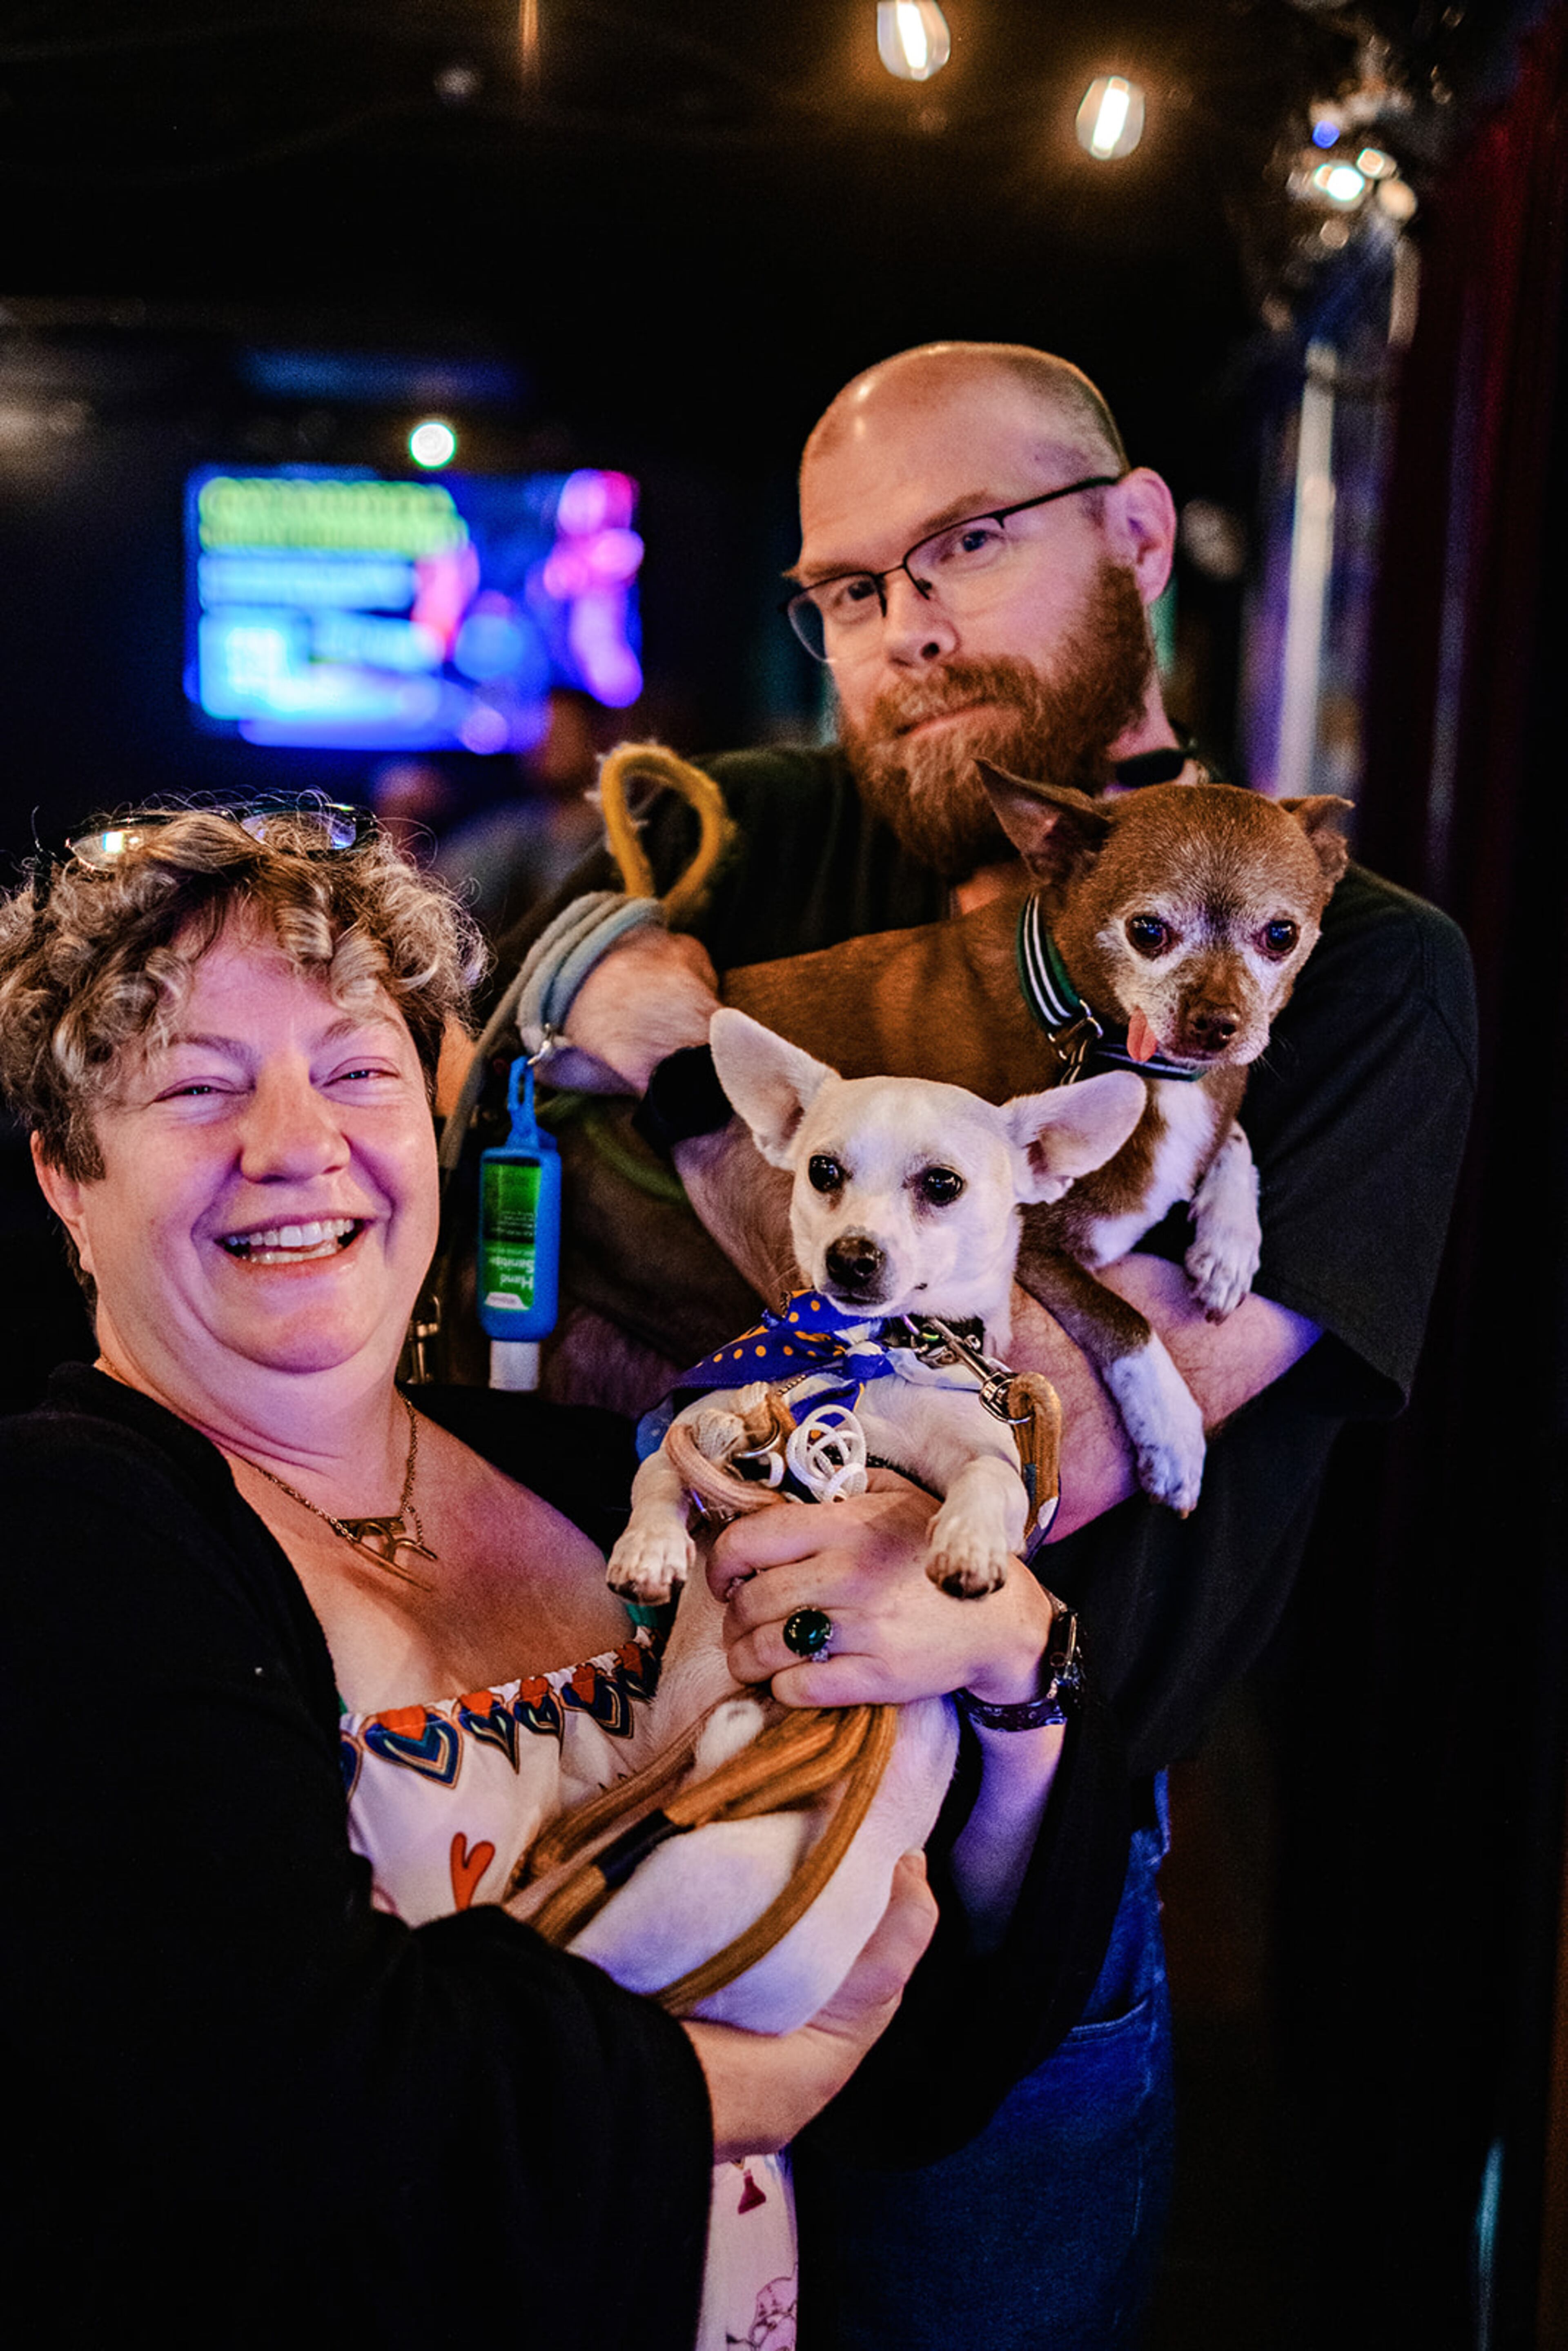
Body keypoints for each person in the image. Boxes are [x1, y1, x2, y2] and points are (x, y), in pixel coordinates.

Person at [486, 341, 1479, 2347]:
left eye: (959, 546)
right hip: (636, 1782)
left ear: (1132, 533)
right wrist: (652, 1023)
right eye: (845, 591)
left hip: (1021, 1858)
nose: (902, 629)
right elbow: (550, 964)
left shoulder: (1361, 965)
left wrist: (706, 1156)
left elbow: (1044, 1433)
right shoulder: (792, 829)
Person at [0, 797, 1134, 2346]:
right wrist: (754, 2081)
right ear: (69, 1177)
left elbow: (936, 2053)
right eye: (198, 1087)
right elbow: (269, 2112)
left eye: (357, 1072)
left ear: (440, 1115)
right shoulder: (63, 1534)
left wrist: (1014, 1677)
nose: (297, 1144)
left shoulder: (606, 1468)